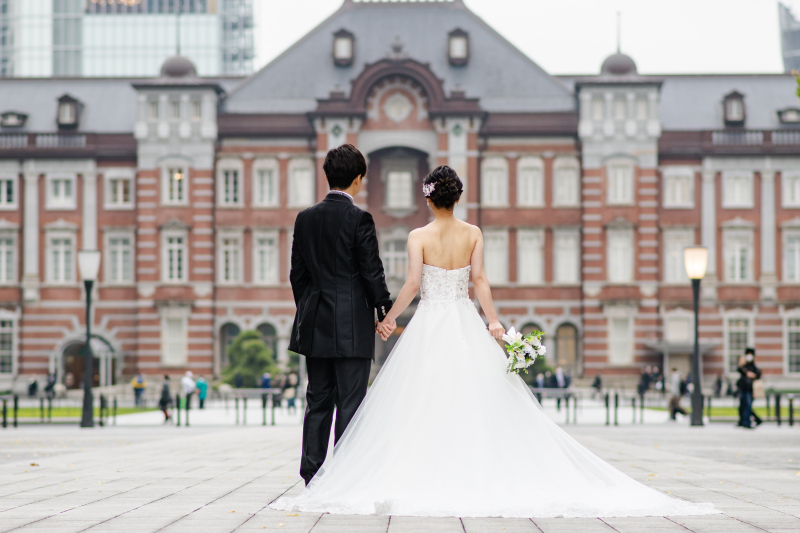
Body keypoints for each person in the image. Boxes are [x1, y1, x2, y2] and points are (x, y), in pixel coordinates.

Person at [271, 165, 716, 518]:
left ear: (428, 199)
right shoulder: (473, 233)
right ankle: (471, 467)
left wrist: (387, 319)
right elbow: (480, 280)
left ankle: (392, 469)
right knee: (474, 396)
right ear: (458, 198)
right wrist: (495, 322)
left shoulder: (417, 236)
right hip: (463, 320)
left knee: (417, 399)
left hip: (429, 323)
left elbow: (411, 285)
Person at [288, 144, 395, 486]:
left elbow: (297, 275)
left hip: (315, 324)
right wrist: (383, 310)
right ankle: (344, 478)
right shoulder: (359, 218)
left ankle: (312, 475)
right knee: (351, 403)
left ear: (327, 176)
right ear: (358, 179)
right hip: (352, 326)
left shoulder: (304, 218)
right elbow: (371, 271)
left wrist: (309, 308)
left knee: (317, 401)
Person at [737, 348, 762, 429]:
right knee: (743, 406)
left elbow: (758, 374)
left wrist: (752, 374)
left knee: (748, 405)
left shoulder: (754, 366)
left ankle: (747, 422)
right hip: (743, 388)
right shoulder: (744, 365)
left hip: (750, 389)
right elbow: (740, 370)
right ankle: (744, 421)